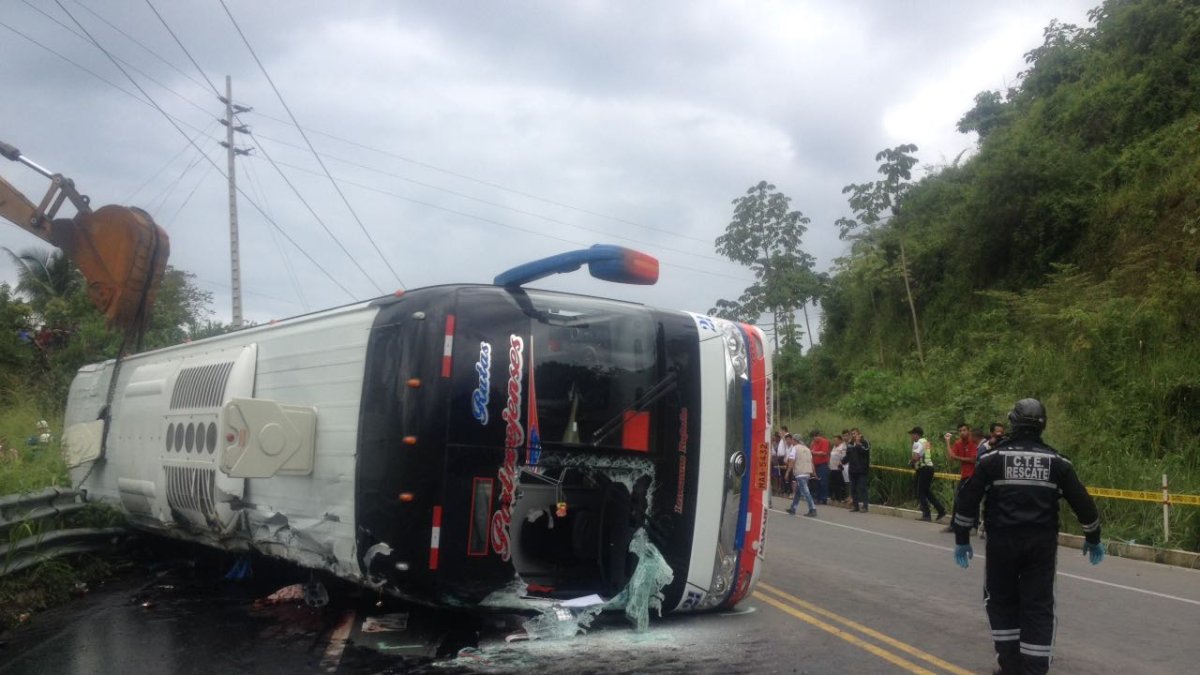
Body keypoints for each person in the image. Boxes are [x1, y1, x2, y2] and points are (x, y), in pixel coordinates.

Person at [952, 398, 1103, 675]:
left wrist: (962, 538)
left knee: (1001, 600)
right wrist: (1093, 536)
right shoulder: (1058, 463)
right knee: (1038, 605)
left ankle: (1010, 666)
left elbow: (968, 499)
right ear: (1042, 426)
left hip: (1001, 546)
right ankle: (1034, 669)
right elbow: (1083, 503)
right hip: (1040, 549)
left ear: (1012, 423)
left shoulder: (992, 460)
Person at [942, 423, 977, 532]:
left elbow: (973, 460)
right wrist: (947, 442)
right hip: (965, 476)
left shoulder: (973, 443)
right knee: (958, 500)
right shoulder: (958, 443)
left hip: (975, 475)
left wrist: (957, 457)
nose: (962, 432)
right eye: (960, 430)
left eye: (964, 430)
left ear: (969, 431)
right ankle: (953, 525)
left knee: (973, 500)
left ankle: (974, 526)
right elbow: (951, 458)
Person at [908, 426, 945, 522]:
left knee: (920, 492)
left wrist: (911, 461)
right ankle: (941, 510)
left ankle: (926, 514)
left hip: (924, 469)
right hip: (928, 468)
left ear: (917, 434)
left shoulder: (918, 443)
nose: (911, 436)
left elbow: (916, 457)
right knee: (926, 492)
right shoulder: (926, 442)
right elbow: (925, 454)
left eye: (912, 434)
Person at [785, 435, 817, 517]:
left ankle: (812, 509)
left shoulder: (795, 448)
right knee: (798, 492)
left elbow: (791, 461)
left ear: (795, 440)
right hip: (807, 472)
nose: (791, 441)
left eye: (792, 440)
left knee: (806, 492)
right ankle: (793, 508)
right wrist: (813, 472)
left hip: (800, 472)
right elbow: (811, 462)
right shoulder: (807, 449)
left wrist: (788, 472)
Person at [844, 428, 871, 512]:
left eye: (855, 433)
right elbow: (848, 455)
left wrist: (859, 444)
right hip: (852, 470)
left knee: (862, 488)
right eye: (852, 434)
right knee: (853, 489)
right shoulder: (850, 443)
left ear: (859, 434)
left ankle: (865, 506)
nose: (853, 435)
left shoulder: (865, 442)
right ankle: (855, 506)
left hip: (862, 470)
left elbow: (865, 451)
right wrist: (842, 461)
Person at [809, 429, 831, 505]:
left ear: (818, 436)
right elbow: (810, 451)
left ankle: (823, 498)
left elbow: (824, 453)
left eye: (815, 437)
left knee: (823, 481)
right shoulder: (813, 443)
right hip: (815, 464)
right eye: (813, 437)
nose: (814, 439)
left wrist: (814, 452)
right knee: (816, 481)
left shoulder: (825, 441)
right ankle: (817, 497)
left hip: (823, 464)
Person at [829, 434, 848, 503]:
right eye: (834, 440)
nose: (834, 441)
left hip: (839, 468)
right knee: (833, 483)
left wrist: (841, 464)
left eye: (836, 440)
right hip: (832, 468)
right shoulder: (834, 447)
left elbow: (843, 457)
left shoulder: (842, 447)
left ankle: (841, 498)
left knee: (839, 484)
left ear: (840, 440)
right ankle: (835, 497)